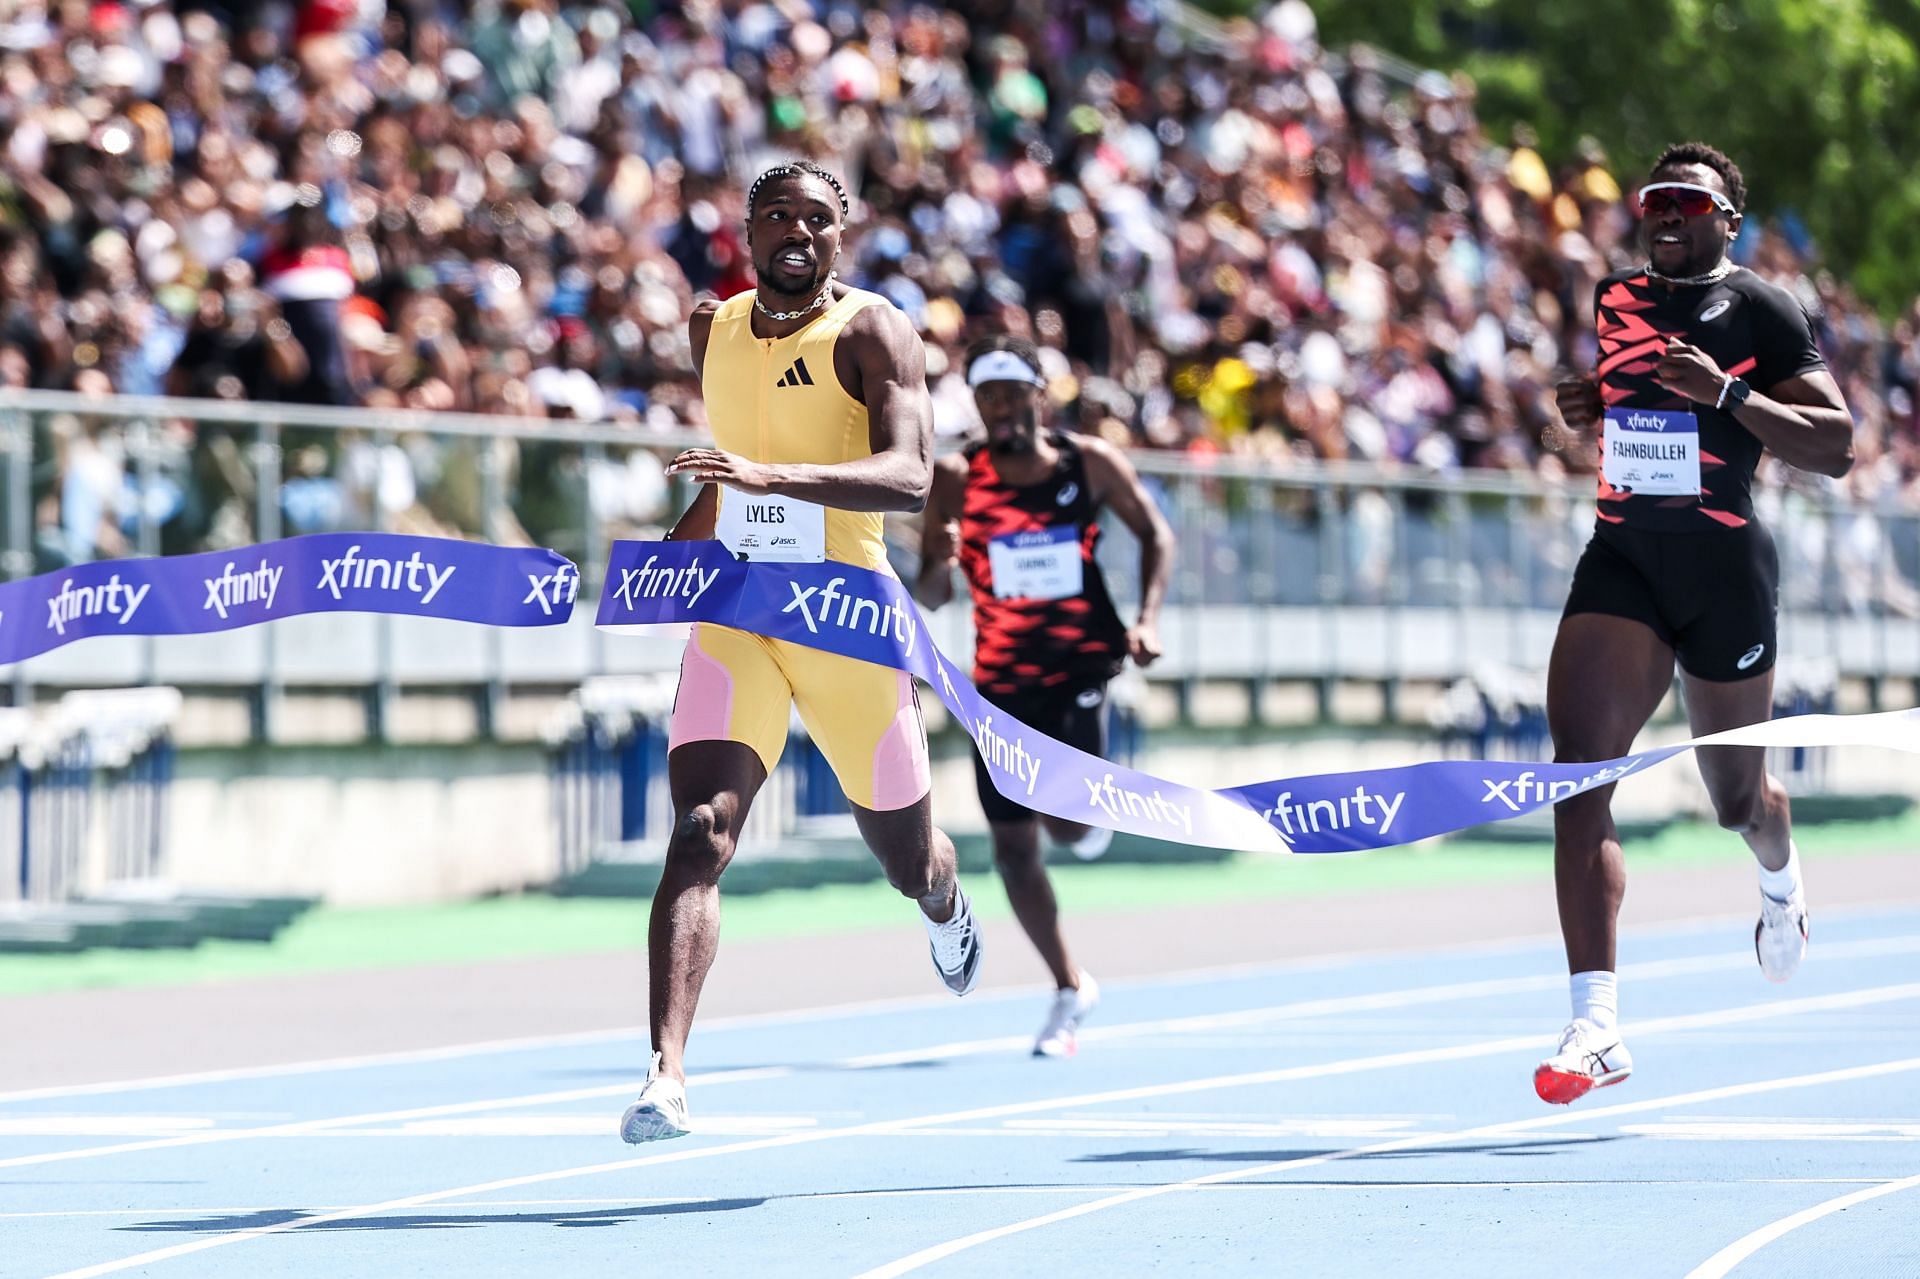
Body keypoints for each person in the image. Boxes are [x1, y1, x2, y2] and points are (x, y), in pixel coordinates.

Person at [619, 161, 982, 1142]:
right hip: (737, 613)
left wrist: (768, 475)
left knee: (904, 858)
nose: (794, 229)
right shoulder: (713, 327)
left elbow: (909, 477)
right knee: (700, 833)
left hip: (846, 622)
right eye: (775, 213)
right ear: (746, 232)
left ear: (840, 236)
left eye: (815, 218)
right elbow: (727, 471)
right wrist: (670, 560)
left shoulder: (872, 330)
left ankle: (943, 899)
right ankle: (667, 1075)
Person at [1535, 142, 1855, 1105]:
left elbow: (1836, 445)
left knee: (1735, 800)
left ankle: (1780, 875)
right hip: (1624, 556)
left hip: (1722, 572)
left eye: (1689, 202)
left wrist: (1728, 392)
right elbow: (1635, 407)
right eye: (1655, 202)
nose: (1667, 214)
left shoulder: (1764, 308)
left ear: (1727, 218)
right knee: (1579, 775)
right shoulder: (1613, 299)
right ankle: (1597, 1022)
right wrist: (1596, 408)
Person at [915, 336, 1172, 1057]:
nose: (997, 408)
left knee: (1065, 828)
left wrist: (1148, 618)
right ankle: (1068, 984)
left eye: (1009, 393)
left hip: (1080, 670)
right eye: (985, 396)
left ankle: (1090, 819)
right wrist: (936, 547)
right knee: (1012, 847)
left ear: (1039, 394)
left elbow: (1157, 535)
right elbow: (933, 594)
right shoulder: (960, 478)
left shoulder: (1088, 463)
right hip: (997, 687)